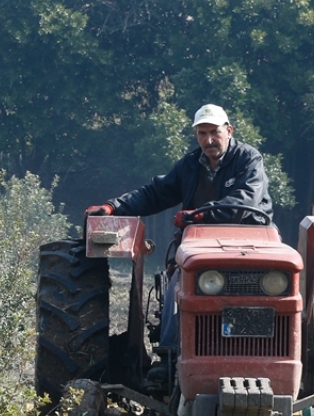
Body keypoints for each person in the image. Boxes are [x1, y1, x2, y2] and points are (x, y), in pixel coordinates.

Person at [84, 104, 272, 351]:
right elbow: (155, 194)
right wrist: (113, 207)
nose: (209, 139)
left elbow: (245, 200)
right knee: (177, 287)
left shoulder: (249, 159)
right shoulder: (190, 165)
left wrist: (200, 214)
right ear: (196, 136)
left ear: (229, 130)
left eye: (214, 132)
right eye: (202, 134)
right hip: (201, 244)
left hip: (251, 241)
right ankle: (170, 353)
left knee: (272, 291)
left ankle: (268, 352)